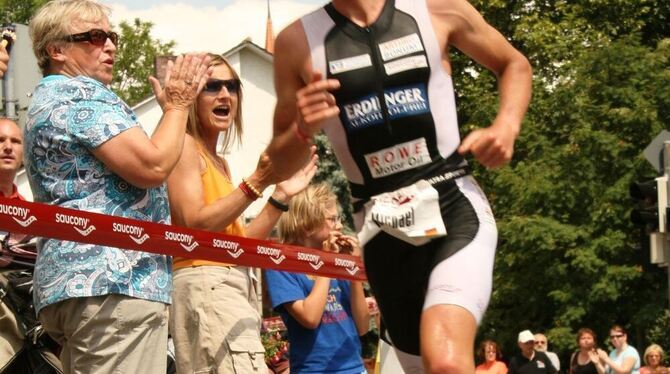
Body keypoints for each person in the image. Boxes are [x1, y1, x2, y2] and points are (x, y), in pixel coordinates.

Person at [265, 0, 532, 372]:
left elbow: (514, 64)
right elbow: (277, 163)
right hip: (381, 231)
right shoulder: (296, 41)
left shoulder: (436, 8)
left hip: (454, 205)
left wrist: (507, 125)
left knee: (447, 362)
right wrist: (300, 129)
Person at [25, 1, 210, 373]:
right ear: (56, 50)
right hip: (114, 283)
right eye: (94, 36)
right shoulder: (79, 95)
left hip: (83, 286)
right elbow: (153, 164)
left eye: (112, 36)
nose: (109, 45)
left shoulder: (48, 98)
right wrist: (177, 106)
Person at [166, 53, 316, 373]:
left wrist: (279, 196)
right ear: (192, 96)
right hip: (206, 284)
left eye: (232, 86)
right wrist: (257, 182)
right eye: (213, 86)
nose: (225, 95)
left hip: (224, 284)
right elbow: (194, 227)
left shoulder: (219, 161)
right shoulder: (183, 145)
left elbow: (238, 247)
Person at [264, 183, 370, 374]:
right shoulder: (281, 264)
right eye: (332, 219)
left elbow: (362, 327)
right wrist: (327, 263)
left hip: (354, 368)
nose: (339, 225)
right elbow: (310, 318)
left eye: (339, 218)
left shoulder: (339, 260)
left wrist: (353, 269)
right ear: (306, 224)